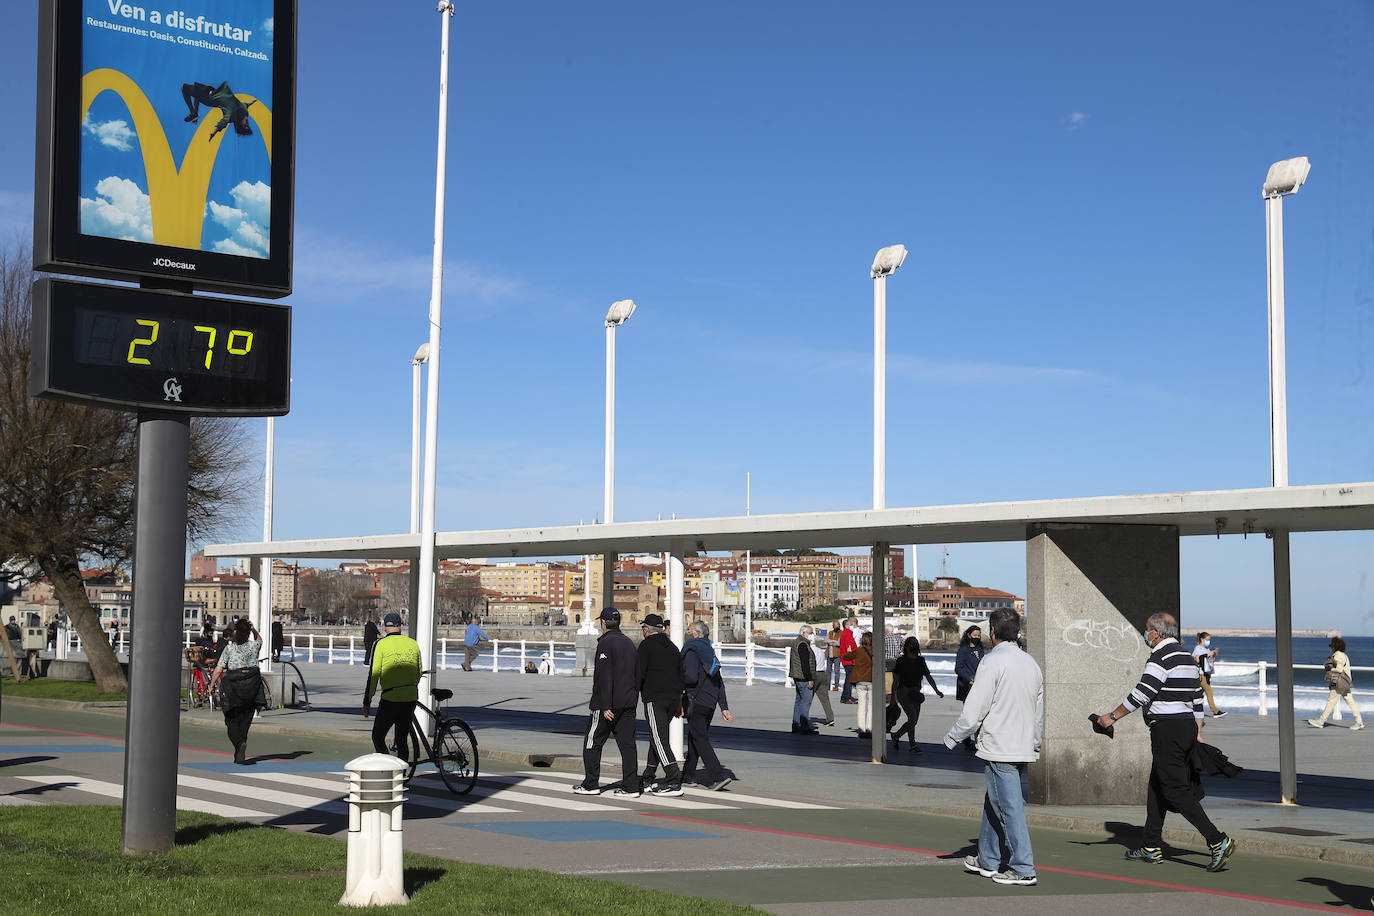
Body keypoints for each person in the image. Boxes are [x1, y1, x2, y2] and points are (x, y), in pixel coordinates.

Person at [1096, 612, 1236, 872]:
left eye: (1147, 630)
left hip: (1168, 730)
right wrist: (1196, 730)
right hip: (1184, 728)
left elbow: (1143, 692)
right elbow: (1196, 696)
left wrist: (1111, 717)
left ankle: (1218, 840)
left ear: (1157, 633)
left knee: (1174, 790)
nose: (1145, 634)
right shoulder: (1185, 656)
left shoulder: (1160, 657)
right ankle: (1151, 845)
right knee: (1156, 787)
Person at [945, 608, 1043, 887]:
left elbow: (975, 708)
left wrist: (953, 737)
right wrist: (1035, 742)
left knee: (1009, 806)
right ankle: (987, 859)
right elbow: (1039, 711)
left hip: (1000, 745)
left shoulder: (991, 662)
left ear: (992, 633)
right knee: (995, 799)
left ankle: (1023, 866)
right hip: (1022, 744)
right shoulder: (1030, 663)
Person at [574, 608, 640, 797]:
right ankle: (631, 786)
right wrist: (632, 699)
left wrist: (605, 705)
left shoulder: (605, 643)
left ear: (603, 623)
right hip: (627, 702)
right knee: (628, 746)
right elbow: (637, 674)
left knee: (592, 742)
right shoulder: (629, 643)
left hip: (607, 705)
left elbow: (604, 677)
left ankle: (590, 784)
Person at [680, 619, 735, 790]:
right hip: (710, 703)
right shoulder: (710, 653)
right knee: (695, 737)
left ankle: (718, 775)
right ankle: (688, 775)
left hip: (696, 701)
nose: (686, 632)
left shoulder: (691, 651)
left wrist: (677, 681)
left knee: (700, 738)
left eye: (689, 630)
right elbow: (719, 682)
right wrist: (724, 707)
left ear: (696, 633)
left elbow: (690, 678)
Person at [636, 613, 686, 796]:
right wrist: (680, 702)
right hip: (673, 699)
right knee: (657, 737)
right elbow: (681, 675)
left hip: (654, 698)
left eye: (643, 629)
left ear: (646, 630)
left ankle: (674, 780)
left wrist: (633, 694)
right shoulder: (673, 647)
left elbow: (639, 674)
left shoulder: (645, 646)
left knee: (659, 739)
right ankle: (648, 778)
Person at [362, 612, 423, 758]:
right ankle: (401, 774)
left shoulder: (380, 644)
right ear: (401, 626)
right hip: (410, 696)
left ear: (384, 627)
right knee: (401, 738)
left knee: (378, 736)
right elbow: (419, 671)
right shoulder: (412, 643)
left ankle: (389, 767)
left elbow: (374, 674)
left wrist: (367, 700)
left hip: (391, 698)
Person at [209, 618, 265, 765]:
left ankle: (239, 744)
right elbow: (259, 639)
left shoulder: (229, 648)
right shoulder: (254, 646)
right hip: (252, 687)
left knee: (231, 721)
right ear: (248, 633)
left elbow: (219, 668)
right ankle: (240, 752)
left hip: (233, 688)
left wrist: (211, 685)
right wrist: (253, 629)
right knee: (246, 720)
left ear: (236, 632)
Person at [890, 636, 944, 752]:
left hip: (916, 693)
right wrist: (893, 699)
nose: (914, 646)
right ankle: (913, 745)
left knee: (913, 721)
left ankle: (896, 736)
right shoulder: (901, 660)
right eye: (911, 644)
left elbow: (928, 676)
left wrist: (936, 690)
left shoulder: (921, 660)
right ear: (906, 646)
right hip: (903, 691)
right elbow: (896, 680)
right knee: (912, 717)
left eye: (915, 644)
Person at [1308, 636, 1364, 730]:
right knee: (1350, 702)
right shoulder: (1344, 655)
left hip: (1339, 683)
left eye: (1331, 646)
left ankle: (1321, 721)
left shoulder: (1338, 655)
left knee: (1331, 701)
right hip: (1345, 683)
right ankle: (1359, 722)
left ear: (1334, 646)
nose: (1330, 648)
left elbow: (1339, 669)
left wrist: (1330, 669)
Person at [180, 80, 257, 140]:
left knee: (184, 88)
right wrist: (252, 102)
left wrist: (213, 133)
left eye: (245, 126)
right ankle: (195, 115)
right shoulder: (244, 112)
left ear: (240, 124)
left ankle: (193, 113)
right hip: (214, 91)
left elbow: (223, 122)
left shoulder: (231, 115)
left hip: (209, 98)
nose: (247, 124)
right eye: (248, 126)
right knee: (196, 92)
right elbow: (245, 105)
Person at [955, 624, 986, 751]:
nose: (977, 637)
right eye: (975, 635)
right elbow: (958, 668)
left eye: (979, 635)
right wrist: (970, 680)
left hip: (979, 685)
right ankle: (968, 739)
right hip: (967, 687)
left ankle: (975, 740)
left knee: (979, 714)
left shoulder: (980, 649)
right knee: (970, 714)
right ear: (969, 635)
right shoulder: (963, 650)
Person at [843, 631, 876, 738]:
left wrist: (848, 651)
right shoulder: (876, 651)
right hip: (871, 680)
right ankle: (869, 729)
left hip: (860, 681)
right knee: (871, 706)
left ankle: (861, 729)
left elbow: (846, 657)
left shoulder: (858, 650)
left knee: (861, 706)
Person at [788, 625, 819, 734]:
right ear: (804, 633)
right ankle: (804, 726)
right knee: (805, 702)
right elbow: (805, 663)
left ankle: (796, 724)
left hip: (797, 677)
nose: (812, 635)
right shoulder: (803, 644)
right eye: (810, 633)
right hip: (803, 678)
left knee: (799, 701)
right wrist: (810, 678)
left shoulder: (798, 642)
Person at [1192, 632, 1226, 718]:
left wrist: (1214, 656)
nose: (1208, 641)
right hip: (1201, 674)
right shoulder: (1198, 648)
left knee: (1198, 693)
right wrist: (1208, 654)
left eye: (1209, 640)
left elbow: (1209, 662)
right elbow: (1197, 659)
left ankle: (1190, 708)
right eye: (1207, 640)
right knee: (1209, 691)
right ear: (1202, 639)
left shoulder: (1207, 649)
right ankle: (1215, 711)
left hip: (1207, 674)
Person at [810, 631, 836, 726]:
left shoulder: (810, 651)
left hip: (814, 674)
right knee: (825, 699)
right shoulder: (820, 650)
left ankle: (803, 718)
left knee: (808, 698)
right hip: (822, 674)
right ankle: (830, 718)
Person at [838, 616, 860, 704]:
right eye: (851, 624)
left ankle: (845, 696)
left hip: (847, 660)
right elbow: (849, 648)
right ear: (847, 625)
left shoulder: (846, 633)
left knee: (849, 678)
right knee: (849, 679)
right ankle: (847, 697)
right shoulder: (847, 633)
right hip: (849, 660)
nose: (852, 625)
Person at [826, 621, 844, 689]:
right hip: (829, 654)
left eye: (837, 625)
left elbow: (839, 643)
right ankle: (827, 686)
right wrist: (833, 641)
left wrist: (831, 642)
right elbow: (825, 640)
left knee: (837, 671)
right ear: (833, 626)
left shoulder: (841, 633)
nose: (836, 627)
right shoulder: (830, 632)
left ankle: (836, 686)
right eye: (835, 625)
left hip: (837, 655)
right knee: (828, 671)